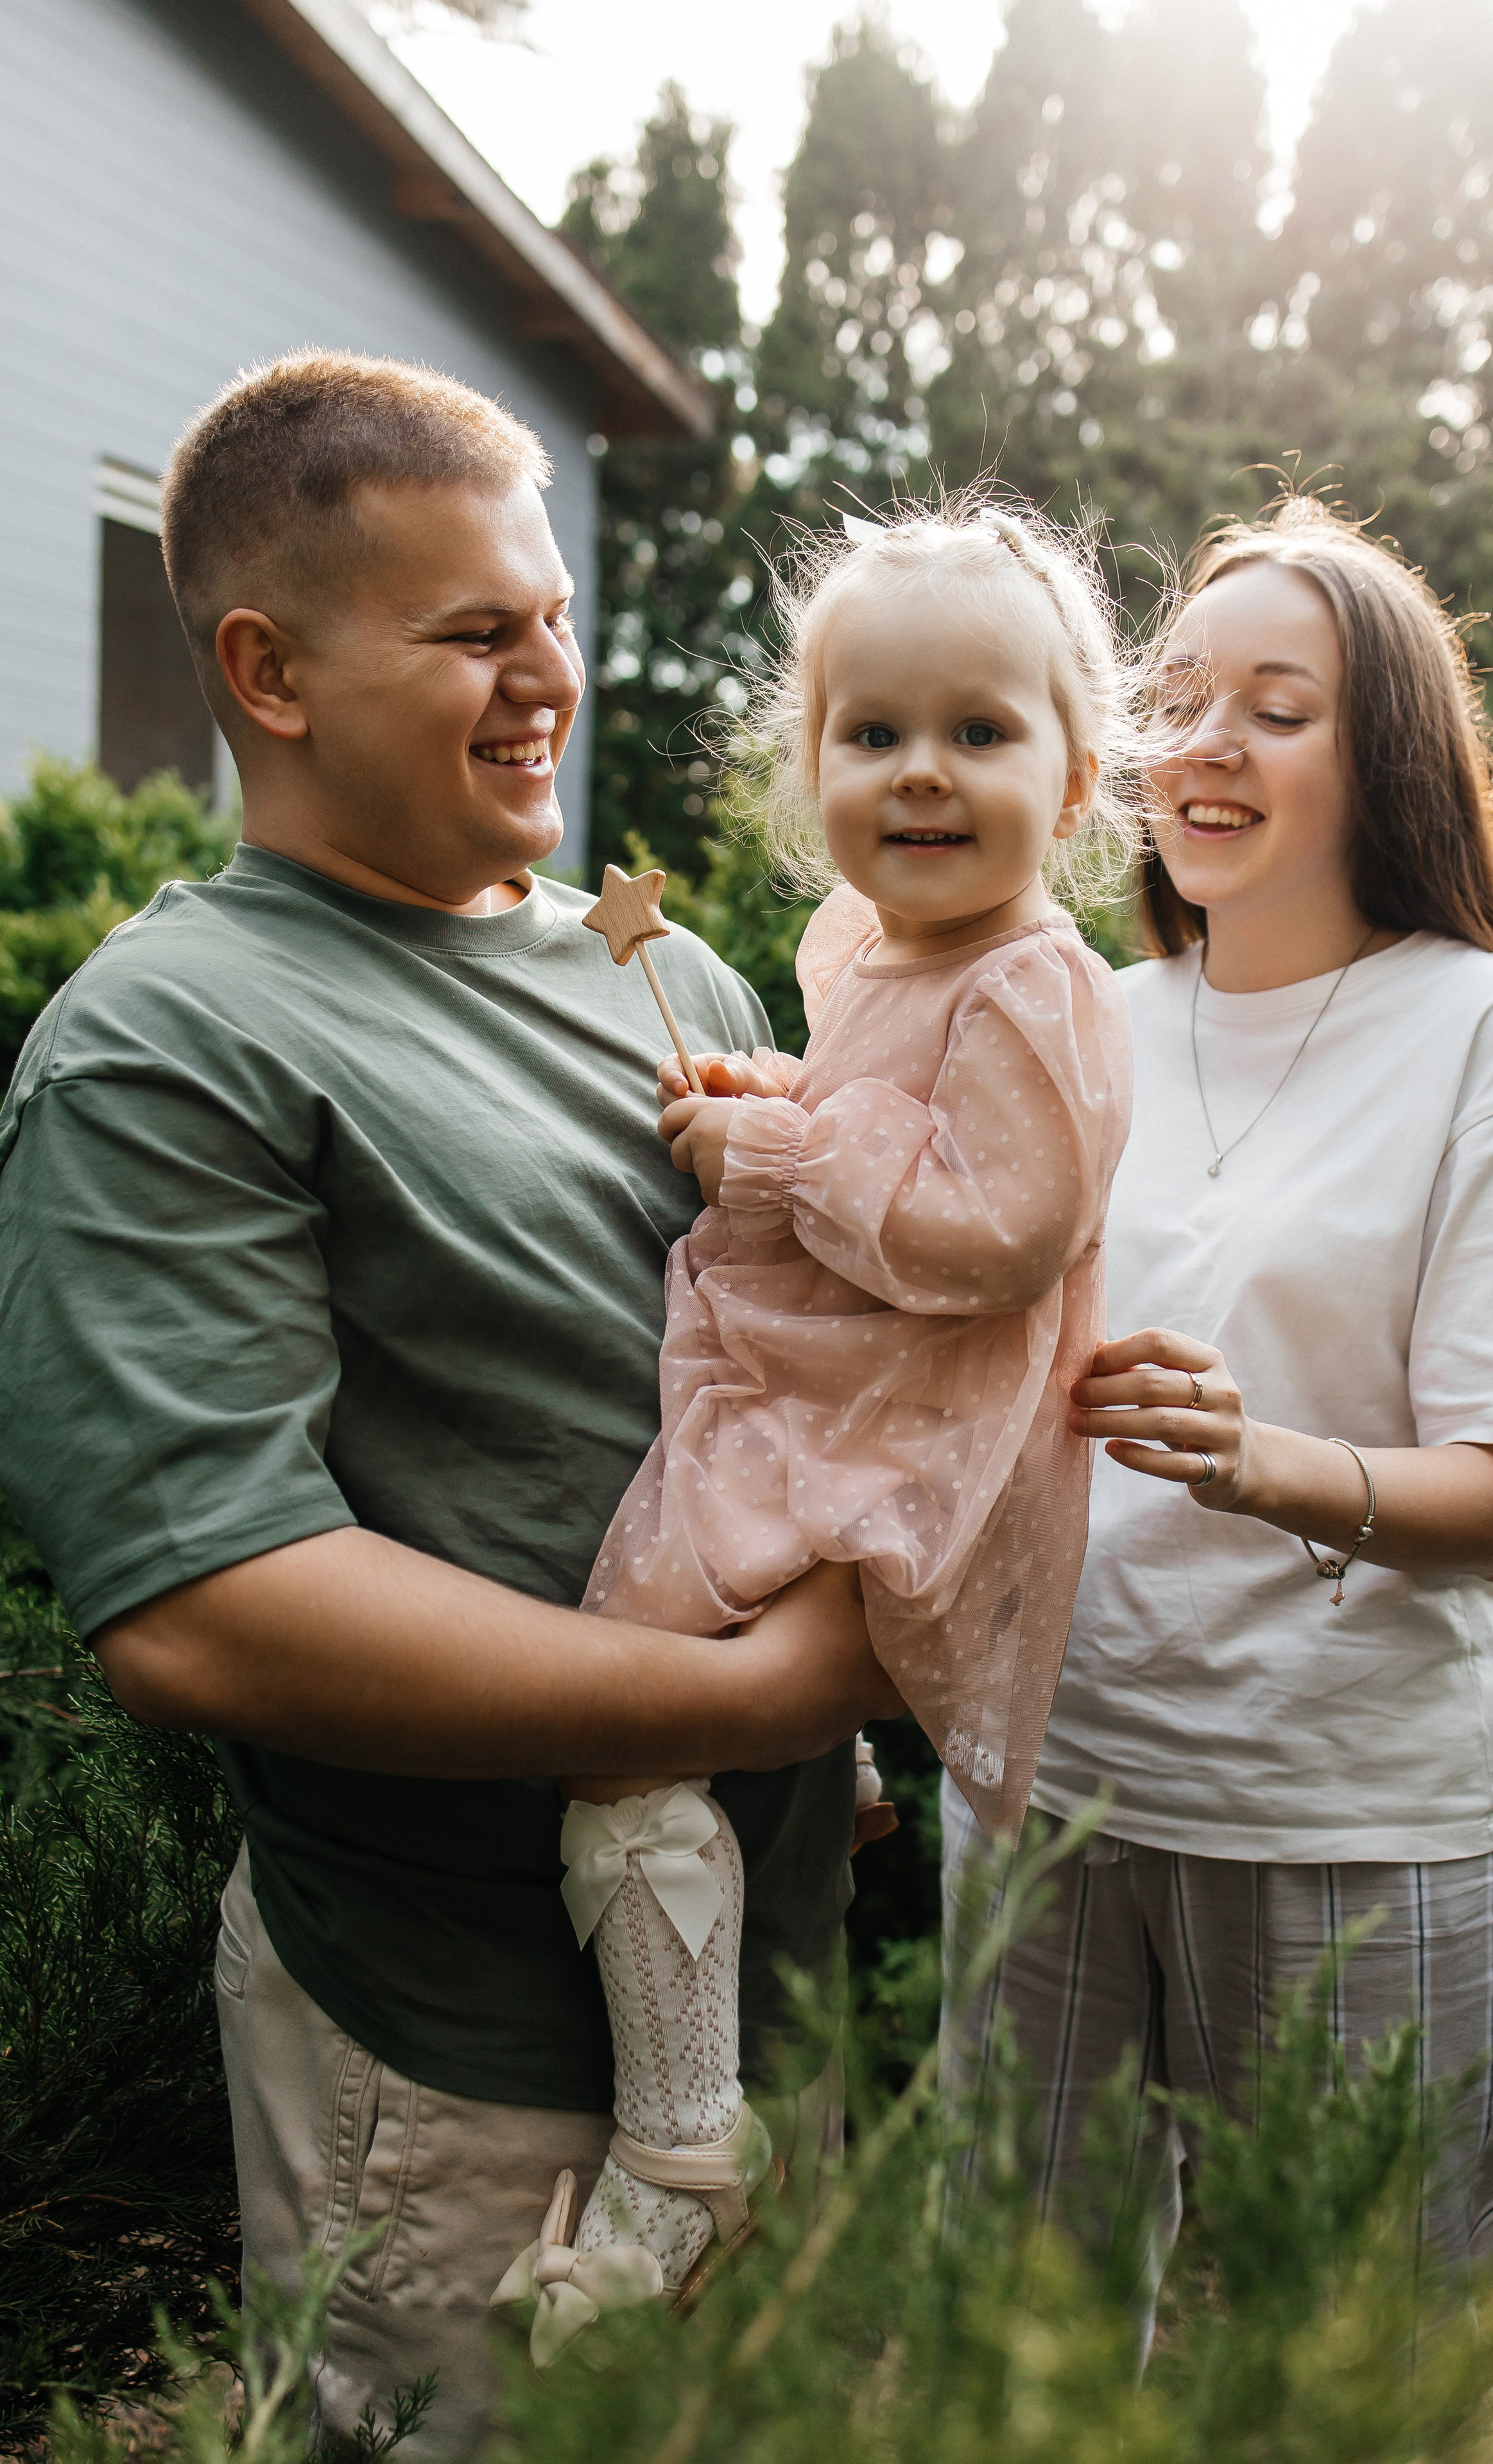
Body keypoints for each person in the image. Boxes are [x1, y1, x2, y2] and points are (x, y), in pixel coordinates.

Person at [0, 350, 898, 2458]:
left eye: (557, 620)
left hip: (768, 1996)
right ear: (270, 669)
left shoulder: (673, 987)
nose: (549, 682)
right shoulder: (170, 1044)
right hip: (464, 2068)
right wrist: (758, 1698)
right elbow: (207, 1607)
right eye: (478, 634)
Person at [941, 495, 1493, 2268]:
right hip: (1051, 1800)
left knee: (1336, 2390)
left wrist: (1262, 1461)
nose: (1206, 745)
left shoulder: (1492, 1036)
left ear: (1382, 750)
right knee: (1016, 2372)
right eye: (1177, 696)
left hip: (1350, 1822)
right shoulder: (1085, 1017)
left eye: (1278, 702)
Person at [503, 504, 1135, 2344]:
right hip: (831, 1372)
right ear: (813, 765)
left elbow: (997, 1225)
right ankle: (824, 1800)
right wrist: (777, 1086)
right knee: (661, 1674)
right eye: (874, 735)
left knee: (616, 1707)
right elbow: (889, 1116)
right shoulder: (872, 947)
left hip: (904, 1412)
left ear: (1077, 778)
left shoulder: (1044, 980)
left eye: (980, 733)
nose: (921, 775)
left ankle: (684, 2141)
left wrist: (778, 1152)